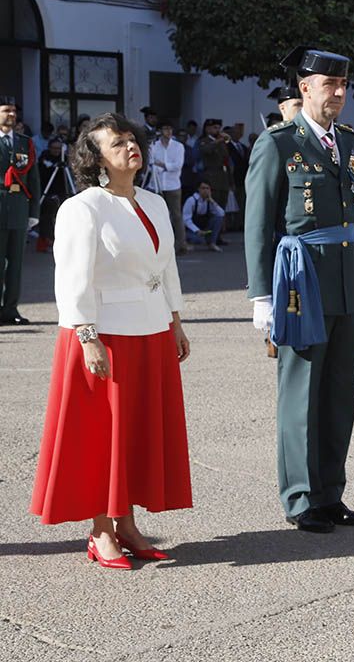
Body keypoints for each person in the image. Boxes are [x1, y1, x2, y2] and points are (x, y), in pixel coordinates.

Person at [30, 112, 191, 568]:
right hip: (106, 335)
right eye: (117, 143)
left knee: (138, 431)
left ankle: (129, 523)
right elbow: (72, 279)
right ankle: (101, 530)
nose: (130, 147)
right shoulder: (82, 208)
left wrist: (175, 321)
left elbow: (167, 269)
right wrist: (87, 337)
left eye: (131, 139)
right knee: (105, 436)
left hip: (152, 329)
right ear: (95, 157)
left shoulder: (155, 203)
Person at [245, 47, 354, 534]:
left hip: (346, 278)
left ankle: (330, 492)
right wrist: (261, 297)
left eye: (343, 86)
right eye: (328, 85)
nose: (338, 94)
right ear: (305, 88)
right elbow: (258, 224)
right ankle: (301, 498)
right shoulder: (278, 143)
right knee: (301, 391)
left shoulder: (351, 142)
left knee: (340, 391)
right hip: (301, 279)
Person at [0, 96, 40, 325]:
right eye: (6, 110)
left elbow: (33, 179)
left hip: (17, 207)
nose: (11, 115)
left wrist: (34, 211)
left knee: (15, 264)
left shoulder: (25, 143)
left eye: (14, 110)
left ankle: (10, 309)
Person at [148, 121, 187, 253]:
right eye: (165, 128)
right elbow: (151, 163)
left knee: (176, 215)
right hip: (157, 184)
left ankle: (181, 245)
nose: (169, 131)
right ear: (160, 131)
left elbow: (177, 165)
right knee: (158, 216)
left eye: (170, 128)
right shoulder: (154, 146)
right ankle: (160, 246)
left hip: (173, 185)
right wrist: (165, 166)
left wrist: (162, 165)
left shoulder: (178, 146)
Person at [35, 138, 74, 252]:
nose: (57, 151)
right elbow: (44, 173)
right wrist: (54, 166)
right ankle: (45, 241)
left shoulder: (64, 160)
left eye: (59, 148)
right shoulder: (44, 158)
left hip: (62, 191)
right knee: (47, 216)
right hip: (47, 191)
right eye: (54, 148)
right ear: (49, 148)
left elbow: (70, 173)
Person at [182, 181, 226, 252]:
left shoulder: (209, 201)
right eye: (203, 188)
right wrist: (196, 230)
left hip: (205, 228)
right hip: (193, 230)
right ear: (198, 189)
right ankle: (188, 242)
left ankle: (212, 243)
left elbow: (221, 213)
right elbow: (186, 219)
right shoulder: (191, 200)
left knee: (218, 218)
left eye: (207, 188)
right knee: (197, 240)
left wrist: (212, 202)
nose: (205, 190)